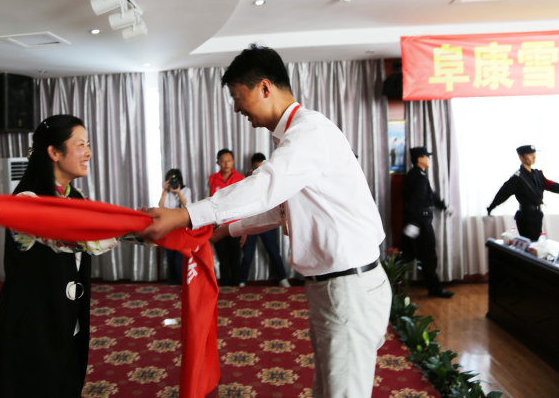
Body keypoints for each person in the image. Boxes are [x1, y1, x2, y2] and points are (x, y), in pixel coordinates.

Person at [140, 44, 391, 398]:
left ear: (264, 87)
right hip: (332, 287)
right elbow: (279, 208)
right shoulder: (293, 137)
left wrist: (184, 214)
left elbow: (265, 187)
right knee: (327, 390)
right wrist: (224, 230)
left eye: (237, 97)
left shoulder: (309, 132)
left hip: (348, 287)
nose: (236, 108)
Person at [0, 115, 118, 398]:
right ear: (54, 152)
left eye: (88, 144)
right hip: (33, 322)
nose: (88, 153)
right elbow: (72, 238)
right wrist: (136, 227)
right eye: (80, 145)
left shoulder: (75, 197)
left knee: (66, 381)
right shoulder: (26, 202)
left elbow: (101, 225)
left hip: (66, 313)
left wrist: (154, 226)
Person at [401, 146, 454, 298]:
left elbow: (429, 195)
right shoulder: (419, 177)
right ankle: (435, 289)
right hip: (420, 222)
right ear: (420, 159)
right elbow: (416, 201)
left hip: (415, 221)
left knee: (407, 257)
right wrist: (415, 224)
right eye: (427, 156)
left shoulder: (417, 175)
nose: (429, 159)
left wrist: (444, 206)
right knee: (428, 257)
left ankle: (389, 286)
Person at [487, 145, 559, 241]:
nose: (534, 157)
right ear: (520, 157)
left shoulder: (538, 174)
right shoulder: (517, 178)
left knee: (536, 243)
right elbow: (502, 194)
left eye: (534, 154)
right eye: (530, 154)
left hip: (537, 215)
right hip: (526, 217)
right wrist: (490, 208)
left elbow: (552, 186)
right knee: (529, 244)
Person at [240, 152, 290, 287]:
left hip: (266, 222)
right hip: (250, 223)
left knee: (274, 252)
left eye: (262, 168)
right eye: (257, 168)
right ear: (251, 168)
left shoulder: (270, 180)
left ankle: (283, 278)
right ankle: (242, 281)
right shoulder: (245, 181)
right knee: (247, 255)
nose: (259, 171)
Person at [208, 149, 246, 286]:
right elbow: (208, 202)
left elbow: (244, 203)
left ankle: (235, 288)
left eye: (229, 160)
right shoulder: (212, 179)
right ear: (218, 163)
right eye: (223, 161)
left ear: (233, 162)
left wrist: (244, 229)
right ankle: (224, 288)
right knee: (223, 260)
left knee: (235, 260)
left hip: (235, 225)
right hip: (218, 225)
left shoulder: (240, 179)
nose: (226, 164)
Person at [159, 168, 192, 285]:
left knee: (179, 258)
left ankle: (181, 282)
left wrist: (178, 192)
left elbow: (189, 207)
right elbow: (161, 208)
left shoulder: (186, 190)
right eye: (169, 181)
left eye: (174, 180)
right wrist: (164, 191)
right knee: (170, 258)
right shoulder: (166, 193)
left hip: (182, 229)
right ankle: (172, 283)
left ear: (179, 180)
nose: (172, 183)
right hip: (169, 229)